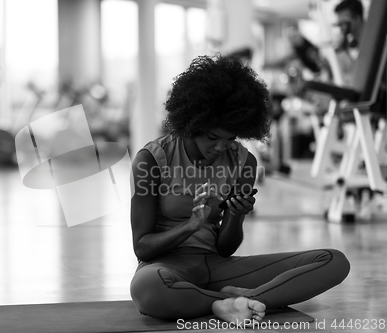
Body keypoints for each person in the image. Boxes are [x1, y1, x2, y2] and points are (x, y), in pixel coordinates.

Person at [129, 55, 350, 326]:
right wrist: (190, 225)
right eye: (213, 138)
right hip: (165, 269)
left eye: (230, 138)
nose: (221, 148)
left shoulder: (244, 162)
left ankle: (232, 302)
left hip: (218, 266)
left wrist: (235, 216)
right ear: (191, 124)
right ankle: (230, 301)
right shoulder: (151, 160)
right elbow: (142, 248)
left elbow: (225, 248)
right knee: (147, 289)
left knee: (333, 261)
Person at [334, 0, 364, 86]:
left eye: (344, 22)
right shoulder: (351, 44)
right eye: (339, 23)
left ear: (357, 18)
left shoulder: (373, 40)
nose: (341, 27)